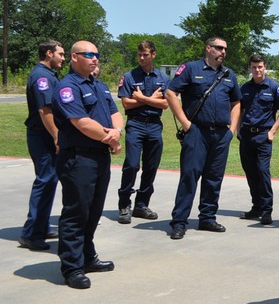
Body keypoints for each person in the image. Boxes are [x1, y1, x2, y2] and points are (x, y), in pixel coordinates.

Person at [54, 41, 123, 289]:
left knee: (94, 211)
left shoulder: (100, 86)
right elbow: (81, 122)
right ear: (74, 57)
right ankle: (71, 267)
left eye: (97, 54)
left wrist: (117, 131)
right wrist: (111, 137)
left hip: (99, 156)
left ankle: (87, 256)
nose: (95, 58)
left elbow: (116, 114)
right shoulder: (67, 87)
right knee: (76, 212)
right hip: (78, 158)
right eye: (89, 54)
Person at [165, 36, 241, 240]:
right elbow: (170, 93)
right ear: (208, 48)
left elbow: (236, 102)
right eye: (218, 48)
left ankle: (207, 218)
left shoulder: (228, 74)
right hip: (197, 131)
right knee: (190, 176)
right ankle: (179, 222)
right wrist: (185, 123)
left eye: (225, 48)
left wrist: (232, 129)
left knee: (214, 177)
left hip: (221, 133)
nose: (223, 52)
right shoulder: (191, 69)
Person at [116, 39, 169, 224]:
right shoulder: (129, 76)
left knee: (151, 167)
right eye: (139, 55)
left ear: (153, 54)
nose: (142, 58)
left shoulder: (162, 78)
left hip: (154, 125)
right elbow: (126, 103)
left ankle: (141, 204)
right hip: (136, 124)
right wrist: (150, 98)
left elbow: (166, 103)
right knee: (131, 164)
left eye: (145, 55)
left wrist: (140, 97)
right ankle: (124, 205)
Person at [19, 39, 65, 251]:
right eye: (61, 54)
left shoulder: (48, 75)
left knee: (50, 181)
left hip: (46, 135)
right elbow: (44, 111)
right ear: (49, 54)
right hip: (43, 136)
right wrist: (56, 136)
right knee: (45, 180)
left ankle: (42, 226)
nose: (63, 58)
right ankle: (31, 233)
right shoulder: (41, 77)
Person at [236, 53, 279, 226]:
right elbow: (238, 109)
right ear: (249, 68)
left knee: (262, 171)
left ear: (265, 67)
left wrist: (273, 130)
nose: (257, 70)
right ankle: (256, 207)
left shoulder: (274, 87)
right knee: (250, 172)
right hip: (246, 136)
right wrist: (237, 128)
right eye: (253, 67)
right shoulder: (244, 88)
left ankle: (267, 210)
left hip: (263, 135)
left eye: (260, 67)